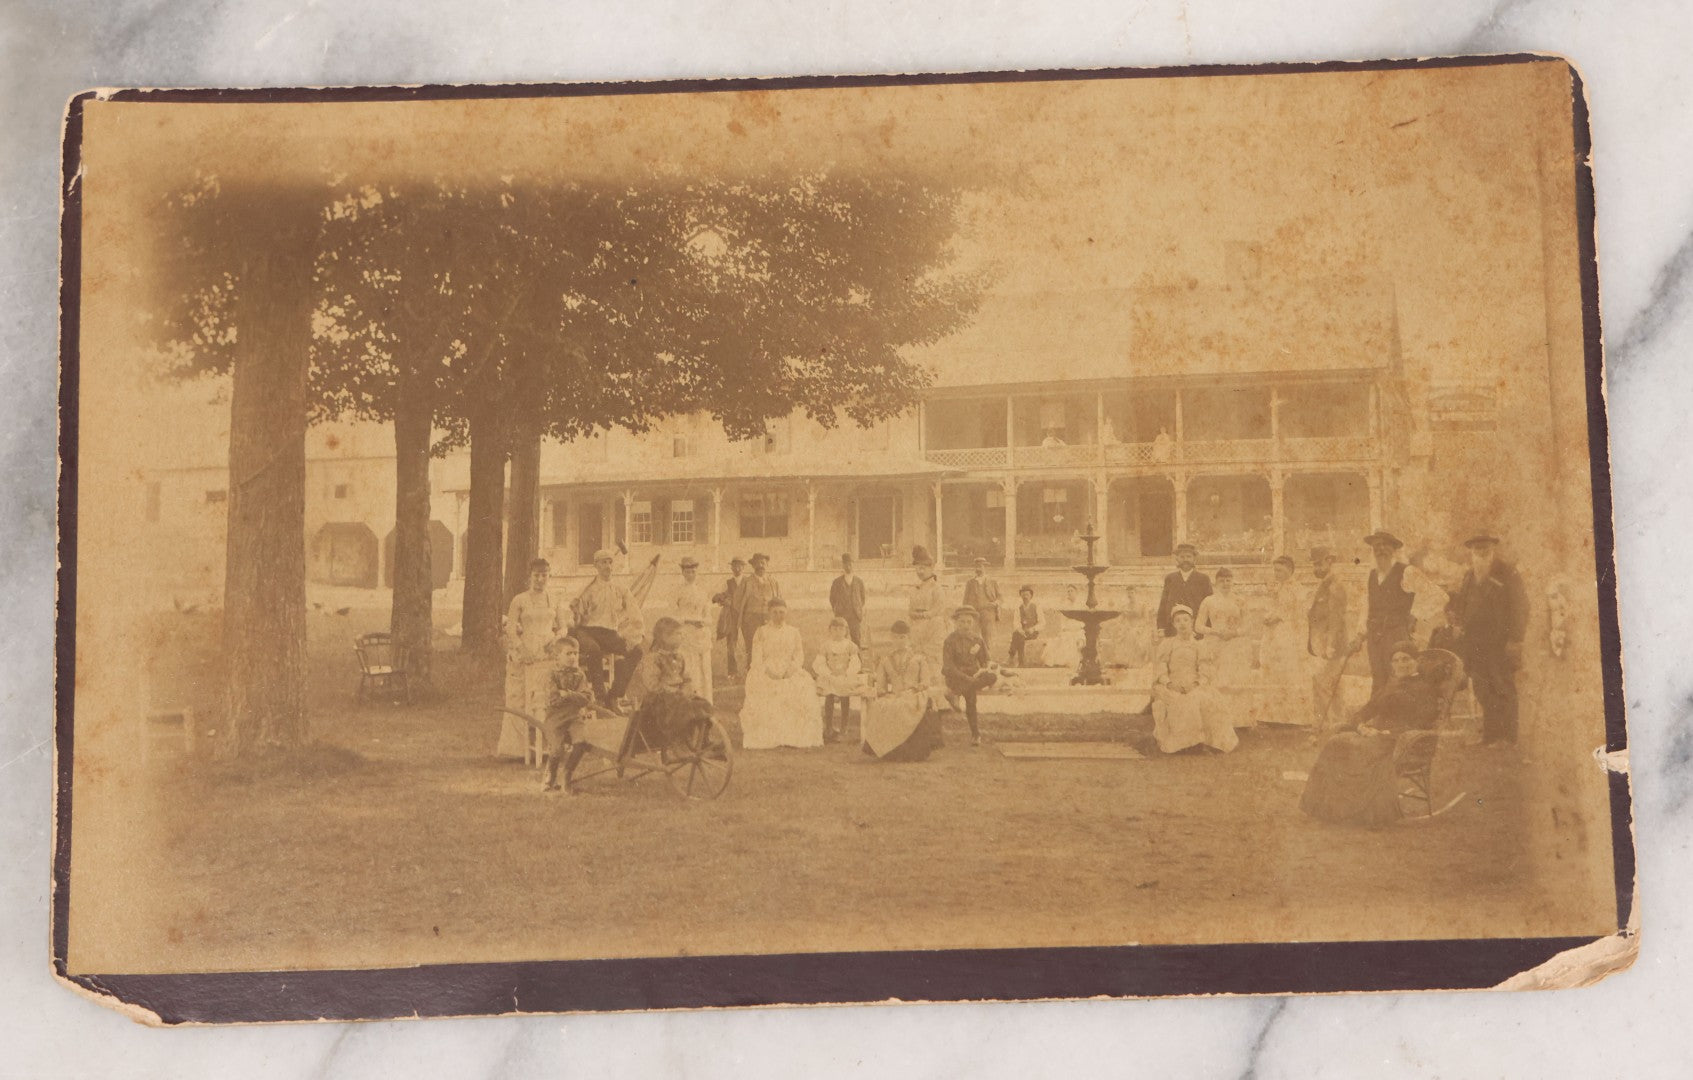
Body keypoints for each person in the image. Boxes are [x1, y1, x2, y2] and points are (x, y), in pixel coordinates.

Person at [1299, 641, 1442, 825]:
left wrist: (1385, 732)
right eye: (1396, 660)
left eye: (1406, 659)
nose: (1401, 664)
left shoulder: (1426, 688)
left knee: (1361, 749)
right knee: (1337, 742)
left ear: (1416, 661)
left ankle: (1362, 811)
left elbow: (1422, 723)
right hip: (1375, 735)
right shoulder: (1391, 685)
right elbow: (1366, 710)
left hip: (1401, 741)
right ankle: (1328, 808)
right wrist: (1361, 726)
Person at [1447, 532, 1529, 747]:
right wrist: (1457, 621)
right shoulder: (1469, 575)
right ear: (1471, 551)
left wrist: (1515, 639)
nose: (1481, 552)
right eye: (1476, 548)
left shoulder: (1507, 572)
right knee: (1483, 689)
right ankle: (1491, 735)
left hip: (1499, 642)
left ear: (1493, 549)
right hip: (1474, 643)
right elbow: (1461, 604)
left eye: (1485, 548)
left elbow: (1521, 607)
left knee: (1502, 687)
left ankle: (1508, 737)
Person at [1361, 531, 1448, 697]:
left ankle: (1399, 718)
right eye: (1376, 546)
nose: (1380, 549)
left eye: (1385, 545)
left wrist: (1414, 615)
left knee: (1398, 679)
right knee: (1378, 678)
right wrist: (1360, 634)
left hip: (1396, 634)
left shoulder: (1406, 572)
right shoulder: (1371, 576)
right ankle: (1379, 719)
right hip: (1374, 637)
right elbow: (1365, 607)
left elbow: (1439, 596)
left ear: (1394, 549)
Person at [499, 558, 567, 759]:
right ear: (530, 577)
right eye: (536, 575)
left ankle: (549, 746)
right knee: (520, 698)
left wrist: (555, 638)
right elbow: (511, 629)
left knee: (547, 698)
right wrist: (522, 648)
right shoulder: (519, 600)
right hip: (526, 651)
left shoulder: (554, 599)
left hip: (547, 651)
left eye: (544, 575)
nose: (540, 579)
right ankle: (517, 750)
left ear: (549, 576)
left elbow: (563, 627)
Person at [1150, 606, 1238, 754]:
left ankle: (1204, 742)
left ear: (1191, 622)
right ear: (1174, 624)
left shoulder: (1199, 645)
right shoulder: (1169, 644)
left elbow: (1204, 668)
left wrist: (1197, 683)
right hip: (1173, 685)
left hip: (1194, 684)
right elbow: (1161, 667)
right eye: (1178, 621)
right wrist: (1169, 683)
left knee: (1206, 700)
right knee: (1180, 702)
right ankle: (1185, 745)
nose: (1182, 624)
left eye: (1185, 620)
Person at [739, 598, 820, 749]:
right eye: (775, 612)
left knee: (802, 687)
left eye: (782, 612)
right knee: (765, 690)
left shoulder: (793, 632)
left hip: (789, 669)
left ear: (786, 612)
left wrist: (791, 669)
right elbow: (756, 656)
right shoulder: (761, 632)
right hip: (766, 669)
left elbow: (799, 655)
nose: (778, 615)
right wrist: (768, 671)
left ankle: (794, 736)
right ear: (769, 613)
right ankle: (769, 737)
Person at [626, 616, 715, 753]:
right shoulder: (653, 658)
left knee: (701, 704)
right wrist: (672, 691)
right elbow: (652, 685)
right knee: (679, 707)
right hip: (657, 700)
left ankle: (703, 740)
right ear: (664, 637)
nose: (681, 637)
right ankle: (677, 742)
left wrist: (686, 689)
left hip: (676, 696)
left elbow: (686, 678)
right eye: (678, 634)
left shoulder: (678, 657)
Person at [570, 548, 643, 705]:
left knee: (636, 651)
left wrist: (633, 634)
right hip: (587, 631)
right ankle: (600, 697)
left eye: (610, 562)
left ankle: (615, 694)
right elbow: (577, 618)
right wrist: (576, 608)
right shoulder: (587, 589)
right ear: (596, 565)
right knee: (593, 650)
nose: (608, 567)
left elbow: (635, 614)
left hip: (609, 632)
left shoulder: (621, 589)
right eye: (603, 563)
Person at [863, 620, 944, 761]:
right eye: (895, 637)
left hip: (914, 693)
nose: (899, 641)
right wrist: (882, 692)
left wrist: (917, 688)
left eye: (902, 637)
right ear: (891, 639)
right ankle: (892, 751)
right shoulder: (885, 660)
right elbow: (881, 684)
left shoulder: (919, 658)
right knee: (884, 705)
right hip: (895, 694)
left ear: (909, 638)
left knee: (909, 704)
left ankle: (914, 751)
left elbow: (925, 680)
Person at [538, 636, 595, 793]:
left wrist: (567, 694)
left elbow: (586, 699)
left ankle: (567, 774)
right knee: (556, 749)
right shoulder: (552, 674)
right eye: (568, 653)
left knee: (581, 742)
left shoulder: (580, 675)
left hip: (574, 717)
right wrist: (573, 696)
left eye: (576, 653)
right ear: (557, 656)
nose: (573, 657)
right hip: (555, 717)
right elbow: (553, 698)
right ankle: (550, 776)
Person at [1307, 547, 1356, 733]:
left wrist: (1330, 645)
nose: (1316, 568)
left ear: (1329, 561)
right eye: (1314, 565)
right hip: (1322, 642)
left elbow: (1337, 617)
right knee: (1327, 682)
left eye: (1319, 564)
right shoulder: (1325, 584)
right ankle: (1329, 723)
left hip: (1332, 643)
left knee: (1325, 682)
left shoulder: (1335, 585)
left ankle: (1332, 723)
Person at [1258, 555, 1308, 719]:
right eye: (1275, 570)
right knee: (1273, 671)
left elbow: (1300, 613)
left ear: (1290, 570)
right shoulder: (1277, 588)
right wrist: (1268, 616)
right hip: (1273, 633)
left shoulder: (1298, 589)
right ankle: (1273, 716)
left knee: (1288, 671)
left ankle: (1291, 716)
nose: (1276, 573)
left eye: (1279, 570)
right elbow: (1271, 607)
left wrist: (1279, 616)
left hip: (1289, 634)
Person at [942, 606, 1000, 747]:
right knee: (971, 697)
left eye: (968, 622)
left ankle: (954, 694)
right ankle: (975, 734)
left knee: (992, 677)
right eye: (962, 622)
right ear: (956, 623)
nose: (965, 626)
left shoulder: (977, 640)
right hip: (955, 676)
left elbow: (985, 661)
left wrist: (987, 668)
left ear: (973, 623)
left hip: (972, 676)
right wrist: (967, 678)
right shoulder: (950, 640)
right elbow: (948, 666)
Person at [812, 616, 866, 742]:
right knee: (829, 695)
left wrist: (847, 673)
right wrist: (829, 673)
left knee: (844, 695)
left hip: (845, 677)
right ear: (830, 630)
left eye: (841, 629)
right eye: (834, 629)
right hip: (830, 677)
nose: (837, 632)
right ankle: (829, 727)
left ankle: (844, 726)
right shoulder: (826, 646)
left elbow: (855, 663)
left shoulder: (850, 646)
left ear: (846, 631)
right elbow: (819, 663)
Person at [669, 556, 715, 704]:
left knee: (704, 671)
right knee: (689, 669)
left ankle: (705, 702)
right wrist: (687, 620)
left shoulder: (702, 591)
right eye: (687, 572)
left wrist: (702, 622)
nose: (690, 575)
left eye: (693, 572)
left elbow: (709, 617)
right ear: (682, 572)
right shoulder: (677, 591)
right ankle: (688, 703)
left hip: (701, 635)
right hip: (685, 634)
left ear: (697, 572)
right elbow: (672, 615)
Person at [1196, 567, 1251, 687]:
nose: (1225, 584)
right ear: (1215, 583)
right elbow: (1198, 626)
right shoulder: (1208, 601)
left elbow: (1248, 626)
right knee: (1215, 680)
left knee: (1234, 681)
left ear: (1232, 582)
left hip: (1234, 643)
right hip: (1214, 643)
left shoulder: (1240, 600)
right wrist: (1215, 631)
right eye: (1222, 580)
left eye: (1228, 580)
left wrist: (1235, 633)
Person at [732, 552, 783, 677]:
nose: (761, 566)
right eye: (758, 563)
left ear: (767, 565)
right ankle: (752, 674)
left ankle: (769, 673)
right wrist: (746, 614)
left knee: (769, 645)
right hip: (750, 620)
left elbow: (779, 600)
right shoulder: (746, 581)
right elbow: (737, 601)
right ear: (753, 565)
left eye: (763, 563)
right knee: (752, 646)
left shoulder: (773, 581)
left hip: (768, 618)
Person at [1155, 543, 1213, 638]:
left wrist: (1208, 629)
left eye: (1188, 556)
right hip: (1173, 628)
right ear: (1177, 559)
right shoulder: (1170, 578)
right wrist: (1161, 627)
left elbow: (1210, 605)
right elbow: (1163, 603)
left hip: (1196, 629)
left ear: (1194, 559)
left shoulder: (1203, 579)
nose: (1185, 560)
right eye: (1182, 557)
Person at [907, 546, 946, 663]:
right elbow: (910, 610)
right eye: (917, 569)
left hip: (932, 628)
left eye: (923, 568)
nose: (920, 572)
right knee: (914, 655)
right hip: (915, 627)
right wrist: (913, 615)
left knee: (929, 659)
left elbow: (938, 610)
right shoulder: (915, 589)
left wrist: (922, 615)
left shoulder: (936, 588)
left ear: (931, 568)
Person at [712, 556, 747, 680]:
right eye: (734, 566)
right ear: (731, 567)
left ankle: (750, 670)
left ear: (744, 567)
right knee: (731, 645)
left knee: (750, 643)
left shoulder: (748, 581)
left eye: (740, 566)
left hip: (746, 616)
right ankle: (732, 672)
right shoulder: (727, 582)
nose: (737, 568)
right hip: (732, 617)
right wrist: (724, 600)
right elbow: (718, 596)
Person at [962, 556, 1003, 659]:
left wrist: (996, 603)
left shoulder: (992, 581)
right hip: (973, 613)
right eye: (976, 566)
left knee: (987, 638)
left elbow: (1000, 597)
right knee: (972, 636)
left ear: (985, 567)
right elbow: (965, 600)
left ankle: (988, 660)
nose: (978, 569)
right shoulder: (970, 583)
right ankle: (973, 660)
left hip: (988, 613)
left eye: (980, 566)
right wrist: (965, 613)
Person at [829, 552, 867, 647]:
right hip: (842, 615)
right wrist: (838, 609)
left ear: (853, 565)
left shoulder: (859, 582)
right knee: (841, 640)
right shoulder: (837, 582)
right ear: (843, 565)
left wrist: (857, 608)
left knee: (856, 639)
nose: (848, 566)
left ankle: (857, 660)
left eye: (850, 564)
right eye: (846, 564)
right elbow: (832, 599)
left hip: (855, 616)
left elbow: (862, 599)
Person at [1008, 585, 1043, 667]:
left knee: (1017, 636)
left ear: (1031, 596)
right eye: (1023, 595)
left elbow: (1042, 622)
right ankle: (1020, 662)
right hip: (1022, 631)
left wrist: (1034, 628)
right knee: (1018, 634)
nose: (1025, 597)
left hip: (1032, 632)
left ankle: (1012, 656)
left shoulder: (1036, 606)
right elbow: (1016, 622)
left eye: (1027, 594)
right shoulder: (1018, 608)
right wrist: (1019, 629)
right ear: (1021, 596)